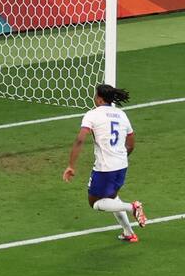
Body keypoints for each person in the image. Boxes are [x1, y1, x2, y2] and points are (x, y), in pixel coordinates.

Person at [62, 84, 148, 243]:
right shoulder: (121, 114)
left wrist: (71, 165)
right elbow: (131, 144)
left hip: (105, 168)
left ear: (100, 99)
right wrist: (119, 157)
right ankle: (129, 233)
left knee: (95, 203)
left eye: (96, 96)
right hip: (122, 165)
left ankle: (132, 207)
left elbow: (80, 140)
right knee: (112, 198)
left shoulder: (92, 115)